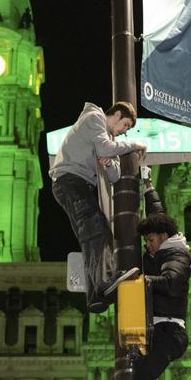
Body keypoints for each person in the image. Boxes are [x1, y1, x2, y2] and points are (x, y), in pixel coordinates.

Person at [69, 177, 191, 380]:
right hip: (151, 330)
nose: (147, 244)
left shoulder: (178, 256)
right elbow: (157, 214)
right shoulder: (161, 247)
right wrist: (149, 187)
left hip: (169, 334)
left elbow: (173, 284)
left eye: (151, 240)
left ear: (164, 237)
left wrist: (138, 281)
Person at [50, 101, 146, 313]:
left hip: (75, 185)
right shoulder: (94, 118)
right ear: (118, 115)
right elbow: (105, 148)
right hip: (70, 181)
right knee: (96, 231)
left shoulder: (108, 138)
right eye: (126, 125)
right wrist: (134, 145)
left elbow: (115, 176)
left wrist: (110, 162)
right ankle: (106, 281)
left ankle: (95, 296)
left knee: (91, 235)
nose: (124, 132)